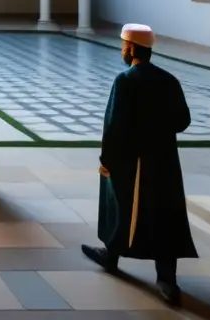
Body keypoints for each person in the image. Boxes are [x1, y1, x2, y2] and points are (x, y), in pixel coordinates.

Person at [81, 23, 197, 307]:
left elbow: (113, 126)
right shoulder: (169, 80)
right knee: (165, 213)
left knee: (122, 204)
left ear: (131, 48)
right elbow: (183, 120)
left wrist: (106, 160)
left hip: (133, 161)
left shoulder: (126, 80)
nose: (122, 50)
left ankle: (111, 256)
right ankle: (167, 278)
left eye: (123, 45)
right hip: (166, 161)